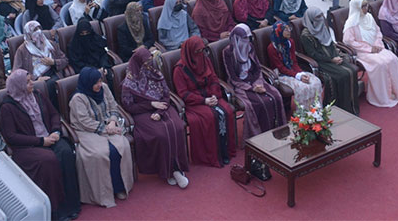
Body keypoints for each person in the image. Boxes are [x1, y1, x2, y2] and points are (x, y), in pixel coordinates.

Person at [0, 70, 81, 220]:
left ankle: (71, 205)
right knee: (48, 161)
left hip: (49, 137)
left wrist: (56, 131)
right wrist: (41, 141)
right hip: (27, 147)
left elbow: (54, 114)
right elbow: (11, 137)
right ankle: (55, 212)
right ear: (19, 85)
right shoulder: (7, 107)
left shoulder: (37, 96)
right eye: (28, 82)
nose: (32, 84)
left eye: (31, 80)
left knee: (66, 152)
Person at [119, 47, 190, 188]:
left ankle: (177, 167)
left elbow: (166, 95)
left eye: (150, 61)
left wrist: (159, 111)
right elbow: (129, 107)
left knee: (176, 127)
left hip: (162, 107)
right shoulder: (129, 82)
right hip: (141, 112)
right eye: (145, 63)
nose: (149, 65)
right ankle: (169, 171)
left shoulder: (156, 74)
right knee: (161, 134)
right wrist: (150, 104)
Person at [68, 66, 135, 206]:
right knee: (101, 154)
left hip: (108, 125)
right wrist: (107, 129)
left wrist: (112, 122)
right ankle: (103, 193)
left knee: (121, 147)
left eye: (99, 81)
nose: (99, 85)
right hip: (87, 131)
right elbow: (84, 121)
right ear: (87, 83)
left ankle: (119, 187)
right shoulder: (78, 99)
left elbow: (113, 106)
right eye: (96, 83)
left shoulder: (104, 87)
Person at [172, 36, 236, 168]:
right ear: (190, 52)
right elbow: (183, 93)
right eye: (197, 52)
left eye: (202, 50)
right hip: (195, 102)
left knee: (227, 112)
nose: (200, 54)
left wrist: (213, 95)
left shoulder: (205, 60)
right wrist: (204, 100)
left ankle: (225, 151)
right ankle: (212, 155)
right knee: (210, 117)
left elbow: (213, 79)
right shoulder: (179, 69)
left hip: (210, 96)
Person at [223, 24, 286, 137]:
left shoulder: (250, 47)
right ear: (236, 38)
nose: (247, 41)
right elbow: (232, 76)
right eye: (244, 38)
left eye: (248, 38)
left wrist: (258, 83)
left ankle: (277, 130)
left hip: (255, 81)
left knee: (275, 96)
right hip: (239, 84)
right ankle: (257, 136)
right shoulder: (228, 52)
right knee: (255, 104)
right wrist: (252, 88)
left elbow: (257, 68)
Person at [343, 0, 398, 107]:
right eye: (363, 6)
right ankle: (381, 97)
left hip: (377, 47)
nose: (366, 8)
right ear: (356, 8)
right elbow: (349, 42)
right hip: (362, 52)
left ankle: (394, 93)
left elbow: (378, 32)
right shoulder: (351, 23)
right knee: (380, 64)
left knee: (394, 59)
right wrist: (369, 49)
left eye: (366, 5)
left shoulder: (369, 17)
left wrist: (376, 45)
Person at [299, 7, 359, 114]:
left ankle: (352, 106)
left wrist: (336, 56)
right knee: (342, 75)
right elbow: (313, 54)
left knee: (352, 71)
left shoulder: (323, 27)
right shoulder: (306, 35)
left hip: (333, 57)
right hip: (321, 62)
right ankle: (341, 107)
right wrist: (331, 60)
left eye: (321, 16)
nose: (321, 19)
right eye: (317, 17)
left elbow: (330, 43)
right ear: (312, 18)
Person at [266, 21, 323, 109]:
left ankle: (315, 111)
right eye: (286, 30)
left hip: (293, 71)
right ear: (279, 32)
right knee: (302, 87)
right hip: (281, 74)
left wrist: (302, 74)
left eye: (289, 28)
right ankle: (303, 115)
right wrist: (297, 76)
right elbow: (280, 68)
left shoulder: (290, 42)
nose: (289, 31)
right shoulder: (272, 48)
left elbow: (294, 62)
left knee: (316, 82)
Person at [13, 20, 70, 94]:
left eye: (39, 28)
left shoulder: (50, 44)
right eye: (35, 30)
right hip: (35, 80)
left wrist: (54, 62)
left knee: (53, 84)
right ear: (29, 34)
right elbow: (17, 73)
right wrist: (35, 79)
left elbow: (65, 60)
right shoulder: (22, 50)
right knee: (46, 86)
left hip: (54, 72)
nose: (39, 31)